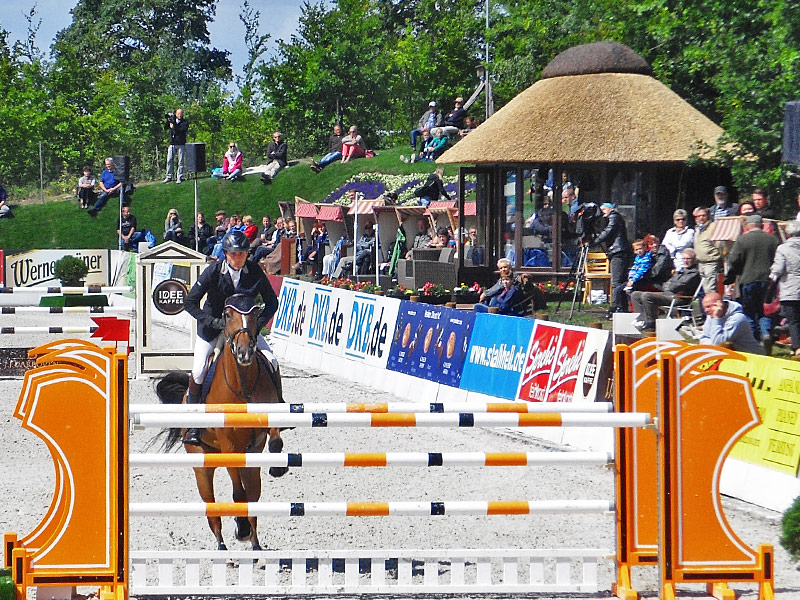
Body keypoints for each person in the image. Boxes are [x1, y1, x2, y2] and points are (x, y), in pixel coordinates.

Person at [182, 230, 280, 445]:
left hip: (244, 330)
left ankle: (279, 409)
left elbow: (272, 302)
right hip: (213, 328)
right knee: (199, 370)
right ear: (226, 254)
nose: (238, 258)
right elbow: (190, 303)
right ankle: (193, 425)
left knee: (271, 361)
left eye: (242, 254)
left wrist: (256, 325)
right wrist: (212, 322)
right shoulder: (213, 271)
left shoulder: (254, 271)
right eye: (234, 254)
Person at [724, 214, 780, 353]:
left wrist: (731, 277)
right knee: (765, 310)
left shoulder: (742, 240)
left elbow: (734, 260)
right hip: (767, 281)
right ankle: (766, 333)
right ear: (761, 225)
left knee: (749, 311)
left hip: (747, 280)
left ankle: (753, 340)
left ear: (747, 226)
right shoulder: (773, 240)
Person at [631, 248, 701, 331]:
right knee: (635, 294)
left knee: (647, 296)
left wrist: (671, 286)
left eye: (688, 259)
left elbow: (678, 286)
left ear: (694, 259)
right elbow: (667, 284)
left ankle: (651, 323)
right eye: (684, 258)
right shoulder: (681, 271)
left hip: (679, 299)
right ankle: (641, 320)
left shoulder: (694, 273)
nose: (685, 261)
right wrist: (670, 287)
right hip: (668, 294)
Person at [591, 202, 630, 317]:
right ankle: (621, 306)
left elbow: (608, 232)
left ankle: (616, 307)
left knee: (616, 282)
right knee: (619, 281)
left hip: (618, 252)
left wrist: (594, 242)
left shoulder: (614, 217)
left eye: (604, 209)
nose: (602, 212)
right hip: (617, 251)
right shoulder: (614, 218)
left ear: (610, 209)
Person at [769, 220, 800, 358]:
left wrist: (771, 278)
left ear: (788, 233)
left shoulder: (783, 248)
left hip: (790, 289)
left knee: (793, 320)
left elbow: (778, 269)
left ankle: (797, 348)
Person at [698, 292, 765, 355]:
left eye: (708, 307)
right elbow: (704, 338)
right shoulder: (711, 316)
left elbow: (719, 343)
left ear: (719, 304)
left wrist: (716, 319)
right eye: (705, 308)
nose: (705, 311)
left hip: (752, 357)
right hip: (733, 357)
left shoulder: (737, 318)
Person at [692, 206, 721, 295]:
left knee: (710, 289)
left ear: (708, 216)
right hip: (700, 263)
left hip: (711, 262)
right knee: (704, 290)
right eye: (699, 216)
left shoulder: (713, 227)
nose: (701, 218)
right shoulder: (697, 229)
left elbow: (719, 245)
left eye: (703, 215)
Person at [162, 108, 188, 184]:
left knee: (180, 162)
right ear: (176, 114)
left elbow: (181, 130)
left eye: (181, 113)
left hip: (181, 144)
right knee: (169, 160)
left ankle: (179, 177)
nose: (180, 115)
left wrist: (174, 125)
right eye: (178, 114)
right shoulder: (173, 121)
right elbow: (165, 127)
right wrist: (169, 121)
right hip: (172, 143)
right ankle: (168, 176)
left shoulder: (185, 122)